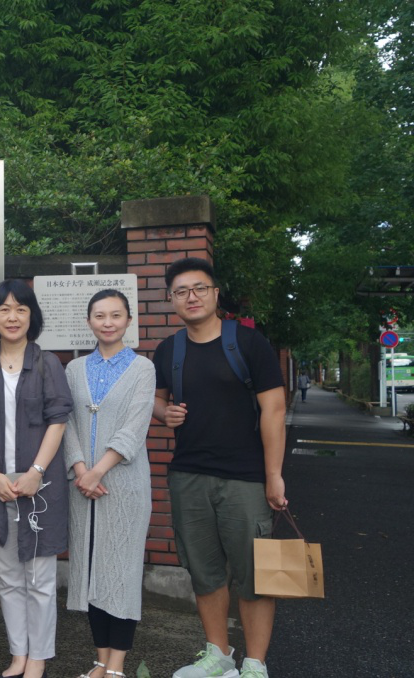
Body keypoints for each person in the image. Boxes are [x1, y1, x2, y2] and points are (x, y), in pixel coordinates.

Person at [151, 258, 287, 678]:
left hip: (245, 477)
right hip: (189, 475)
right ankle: (218, 655)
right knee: (204, 572)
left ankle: (255, 664)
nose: (191, 297)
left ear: (214, 294)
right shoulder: (169, 349)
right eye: (181, 291)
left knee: (254, 575)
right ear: (171, 299)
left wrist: (273, 475)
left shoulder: (248, 343)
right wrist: (164, 413)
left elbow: (274, 409)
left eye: (199, 288)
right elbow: (156, 399)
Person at [0, 280, 73, 678]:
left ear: (32, 316)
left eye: (21, 309)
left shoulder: (48, 364)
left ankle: (39, 656)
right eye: (4, 309)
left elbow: (58, 421)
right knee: (10, 576)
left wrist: (36, 472)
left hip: (39, 484)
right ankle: (18, 654)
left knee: (41, 577)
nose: (12, 317)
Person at [62, 290, 155, 678]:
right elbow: (66, 422)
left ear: (129, 321)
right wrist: (80, 468)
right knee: (90, 573)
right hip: (82, 486)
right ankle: (101, 660)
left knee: (122, 573)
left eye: (116, 315)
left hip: (124, 485)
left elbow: (136, 426)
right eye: (100, 315)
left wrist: (98, 471)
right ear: (89, 321)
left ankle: (117, 666)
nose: (108, 322)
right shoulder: (73, 369)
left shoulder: (143, 369)